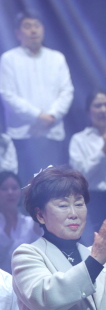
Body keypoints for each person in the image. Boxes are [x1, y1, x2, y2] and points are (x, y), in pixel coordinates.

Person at [12, 166, 106, 310]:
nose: (73, 213)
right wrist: (96, 261)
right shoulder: (28, 254)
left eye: (79, 203)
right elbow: (46, 297)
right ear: (40, 215)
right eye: (63, 205)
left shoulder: (92, 255)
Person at [0, 10, 74, 184]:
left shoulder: (57, 58)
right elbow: (7, 95)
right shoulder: (9, 58)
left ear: (43, 29)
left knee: (53, 185)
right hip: (23, 134)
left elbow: (67, 91)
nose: (33, 30)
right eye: (27, 26)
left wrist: (51, 117)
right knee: (26, 185)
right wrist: (38, 117)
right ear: (18, 33)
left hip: (52, 132)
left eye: (37, 26)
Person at [0, 171, 41, 274]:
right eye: (4, 189)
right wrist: (8, 223)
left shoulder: (29, 222)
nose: (10, 192)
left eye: (15, 188)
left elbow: (39, 251)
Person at [69, 90, 106, 234]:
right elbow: (81, 176)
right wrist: (102, 151)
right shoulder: (79, 140)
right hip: (93, 199)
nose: (103, 110)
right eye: (98, 105)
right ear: (88, 111)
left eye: (105, 105)